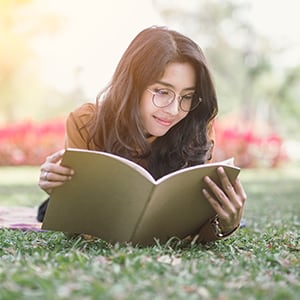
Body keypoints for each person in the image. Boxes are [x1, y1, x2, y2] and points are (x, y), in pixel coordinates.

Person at [38, 26, 246, 244]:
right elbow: (78, 230)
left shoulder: (197, 127)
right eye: (163, 92)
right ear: (132, 85)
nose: (174, 110)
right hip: (108, 213)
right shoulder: (86, 122)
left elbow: (192, 232)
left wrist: (226, 225)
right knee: (45, 211)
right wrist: (61, 192)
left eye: (187, 96)